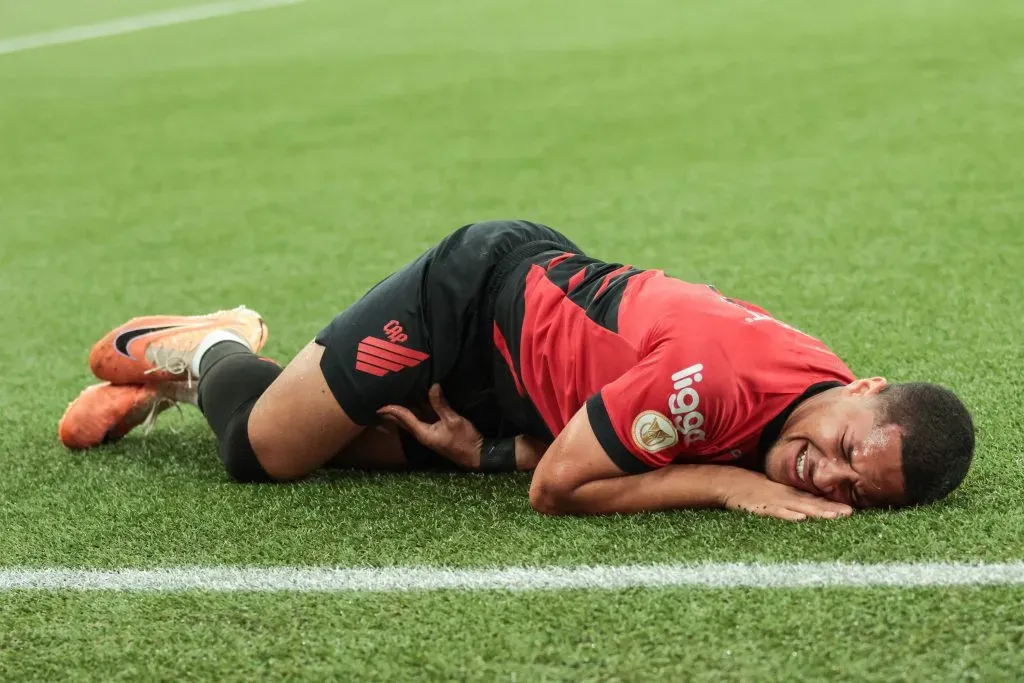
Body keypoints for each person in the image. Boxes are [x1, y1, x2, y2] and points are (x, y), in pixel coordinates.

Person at [58, 220, 975, 520]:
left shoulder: (823, 394)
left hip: (540, 378)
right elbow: (562, 486)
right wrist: (725, 483)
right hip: (474, 301)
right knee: (266, 454)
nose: (831, 473)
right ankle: (212, 345)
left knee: (348, 448)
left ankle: (172, 388)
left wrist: (493, 448)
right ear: (861, 387)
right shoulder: (720, 381)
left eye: (862, 487)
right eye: (849, 447)